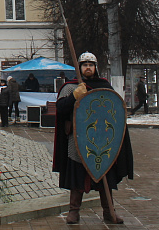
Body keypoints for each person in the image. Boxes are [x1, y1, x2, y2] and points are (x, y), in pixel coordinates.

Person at [53, 52, 133, 224]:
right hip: (79, 140)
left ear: (95, 67)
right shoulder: (71, 87)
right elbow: (60, 108)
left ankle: (109, 212)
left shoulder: (104, 86)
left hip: (102, 140)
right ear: (80, 67)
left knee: (106, 177)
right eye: (84, 65)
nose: (88, 68)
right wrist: (74, 96)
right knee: (77, 178)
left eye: (91, 65)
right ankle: (74, 211)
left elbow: (115, 109)